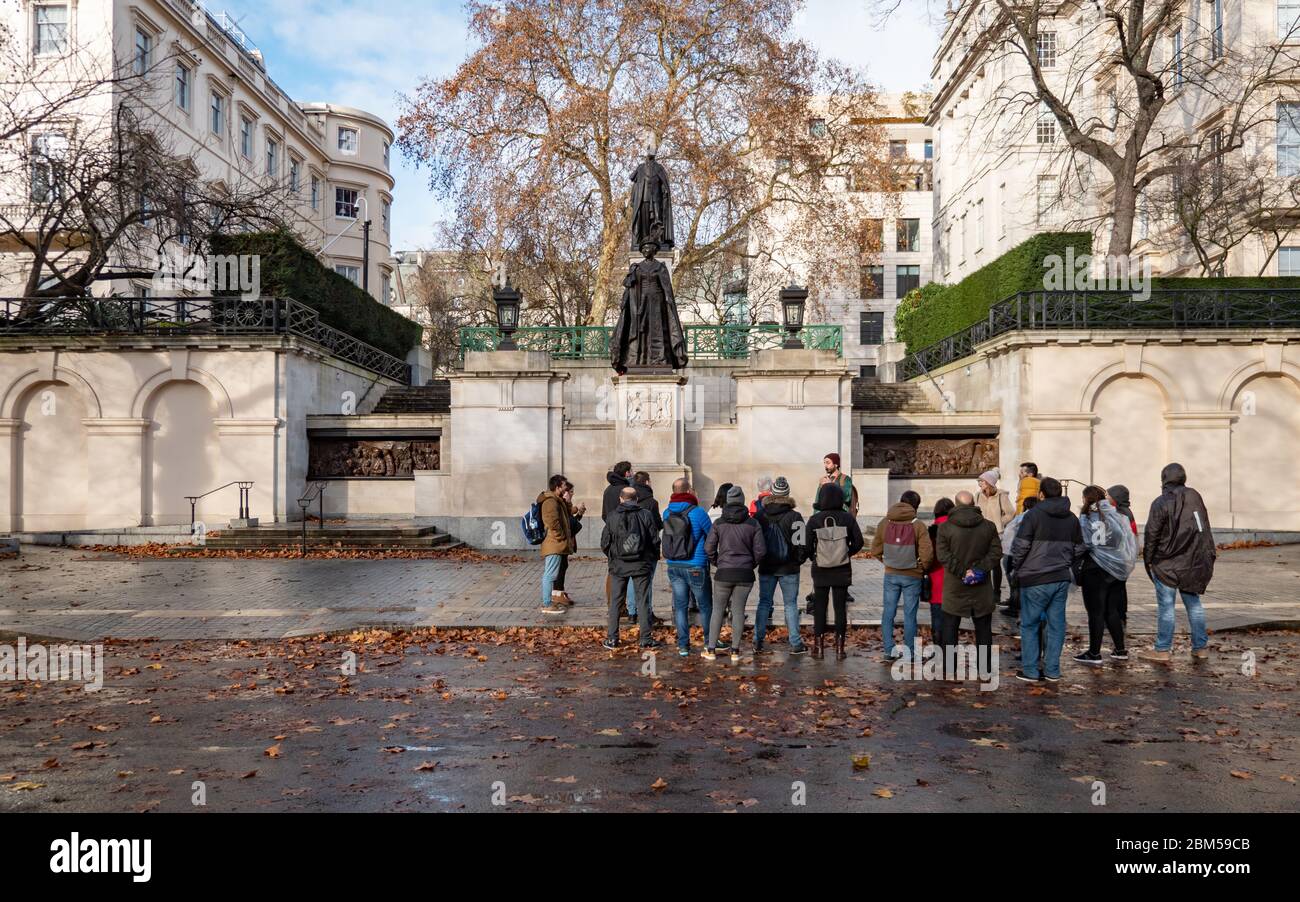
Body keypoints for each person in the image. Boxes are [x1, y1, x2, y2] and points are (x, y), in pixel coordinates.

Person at [1138, 463, 1216, 663]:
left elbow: (1152, 534)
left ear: (1164, 479)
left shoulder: (1160, 502)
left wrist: (1148, 560)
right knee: (1194, 604)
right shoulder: (1195, 498)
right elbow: (1203, 528)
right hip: (1191, 561)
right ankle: (1200, 647)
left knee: (1166, 607)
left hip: (1166, 564)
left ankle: (1163, 649)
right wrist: (1207, 555)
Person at [1010, 477, 1084, 684]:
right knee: (1056, 625)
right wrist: (1065, 561)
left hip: (1035, 577)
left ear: (1041, 494)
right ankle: (1052, 670)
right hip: (1060, 577)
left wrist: (1018, 567)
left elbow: (1021, 546)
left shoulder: (1033, 515)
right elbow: (1079, 547)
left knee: (1030, 624)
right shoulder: (1071, 518)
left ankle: (1031, 671)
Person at [935, 491, 1002, 677]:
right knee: (983, 630)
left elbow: (943, 556)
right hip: (981, 588)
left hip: (954, 587)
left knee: (950, 628)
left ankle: (949, 668)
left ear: (955, 505)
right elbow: (996, 553)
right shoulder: (988, 527)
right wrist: (978, 570)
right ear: (973, 503)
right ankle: (985, 669)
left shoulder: (945, 528)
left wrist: (963, 572)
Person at [1074, 485, 1137, 666]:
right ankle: (1120, 649)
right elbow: (1122, 538)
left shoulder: (1086, 518)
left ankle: (1094, 653)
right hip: (1116, 569)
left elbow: (1083, 542)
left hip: (1094, 569)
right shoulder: (1117, 516)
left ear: (1086, 499)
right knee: (1112, 611)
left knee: (1095, 612)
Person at [870, 490, 934, 661]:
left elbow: (875, 550)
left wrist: (888, 563)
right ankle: (910, 652)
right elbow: (927, 553)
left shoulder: (885, 522)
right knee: (910, 615)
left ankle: (889, 651)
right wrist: (921, 567)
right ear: (916, 506)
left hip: (891, 574)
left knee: (888, 612)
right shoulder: (918, 524)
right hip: (913, 576)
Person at [703, 485, 765, 662]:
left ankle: (711, 650)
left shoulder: (719, 523)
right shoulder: (753, 523)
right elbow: (760, 550)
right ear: (743, 500)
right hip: (745, 573)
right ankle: (735, 651)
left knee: (717, 611)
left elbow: (709, 548)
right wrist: (750, 564)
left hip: (723, 572)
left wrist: (718, 562)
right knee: (738, 611)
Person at [805, 482, 864, 660]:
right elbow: (859, 542)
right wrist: (846, 553)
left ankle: (819, 646)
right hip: (842, 568)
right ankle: (840, 648)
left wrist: (815, 557)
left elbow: (807, 546)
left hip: (821, 569)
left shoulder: (815, 519)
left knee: (820, 608)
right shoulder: (847, 518)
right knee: (840, 609)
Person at [601, 486, 661, 650]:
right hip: (641, 564)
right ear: (636, 499)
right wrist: (651, 558)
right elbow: (655, 541)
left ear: (621, 499)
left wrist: (613, 557)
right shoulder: (646, 515)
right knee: (642, 601)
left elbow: (605, 542)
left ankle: (612, 638)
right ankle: (645, 638)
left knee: (616, 602)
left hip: (618, 565)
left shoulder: (612, 516)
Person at [755, 477, 807, 655]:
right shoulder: (795, 516)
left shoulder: (760, 516)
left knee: (763, 603)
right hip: (789, 568)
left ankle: (758, 640)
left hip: (767, 567)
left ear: (772, 494)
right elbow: (801, 544)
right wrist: (797, 561)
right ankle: (795, 643)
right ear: (787, 495)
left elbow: (756, 542)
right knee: (790, 604)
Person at [663, 477, 714, 658]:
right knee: (705, 606)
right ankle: (710, 642)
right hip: (695, 565)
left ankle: (683, 645)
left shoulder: (667, 512)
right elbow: (711, 535)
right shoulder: (698, 512)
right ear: (689, 491)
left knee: (680, 606)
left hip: (674, 565)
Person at [537, 474, 578, 616]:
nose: (566, 488)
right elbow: (552, 522)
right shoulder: (550, 501)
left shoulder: (557, 500)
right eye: (564, 485)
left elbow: (567, 515)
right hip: (554, 543)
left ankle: (549, 602)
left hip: (555, 542)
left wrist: (567, 502)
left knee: (552, 573)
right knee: (550, 574)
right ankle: (547, 603)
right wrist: (561, 537)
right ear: (558, 487)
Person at [628, 471, 664, 624]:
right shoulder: (651, 502)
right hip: (648, 546)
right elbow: (657, 524)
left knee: (632, 578)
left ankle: (632, 612)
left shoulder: (629, 500)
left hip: (631, 545)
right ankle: (647, 611)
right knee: (646, 580)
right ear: (647, 482)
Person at [976, 469, 1015, 602]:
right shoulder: (977, 496)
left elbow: (1010, 513)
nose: (979, 483)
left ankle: (996, 592)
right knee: (982, 562)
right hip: (980, 534)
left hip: (996, 534)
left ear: (989, 482)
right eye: (979, 481)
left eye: (981, 481)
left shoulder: (1001, 496)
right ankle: (984, 591)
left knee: (995, 564)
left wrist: (999, 523)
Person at [602, 461, 634, 617]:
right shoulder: (625, 490)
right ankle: (621, 607)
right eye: (631, 471)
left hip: (611, 534)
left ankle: (612, 605)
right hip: (625, 535)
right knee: (625, 573)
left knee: (612, 571)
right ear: (626, 473)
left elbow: (604, 514)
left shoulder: (608, 489)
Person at [1001, 496, 1038, 620]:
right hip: (1014, 550)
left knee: (1014, 579)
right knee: (1015, 579)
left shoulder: (1024, 517)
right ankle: (1014, 601)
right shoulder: (1032, 517)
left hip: (1012, 551)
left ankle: (1014, 606)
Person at [926, 498, 955, 656]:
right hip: (952, 580)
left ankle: (938, 650)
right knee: (950, 620)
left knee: (936, 617)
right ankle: (949, 652)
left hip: (935, 579)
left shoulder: (932, 530)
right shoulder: (956, 529)